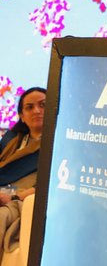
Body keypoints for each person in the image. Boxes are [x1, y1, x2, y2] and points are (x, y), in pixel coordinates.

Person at [0, 86, 46, 260]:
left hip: (19, 200)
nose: (37, 111)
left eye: (43, 105)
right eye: (29, 107)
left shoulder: (58, 145)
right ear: (22, 116)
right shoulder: (11, 140)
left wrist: (12, 197)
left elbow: (46, 185)